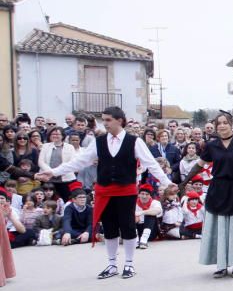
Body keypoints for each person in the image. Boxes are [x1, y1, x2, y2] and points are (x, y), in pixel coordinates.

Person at [37, 106, 173, 279]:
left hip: (126, 190)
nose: (105, 123)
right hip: (105, 191)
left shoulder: (134, 141)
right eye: (103, 120)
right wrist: (54, 172)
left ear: (120, 121)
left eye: (108, 120)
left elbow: (152, 164)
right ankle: (112, 264)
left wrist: (167, 182)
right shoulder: (99, 141)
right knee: (109, 228)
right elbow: (80, 161)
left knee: (128, 226)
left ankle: (129, 264)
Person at [180, 111, 233, 278]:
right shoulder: (211, 146)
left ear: (231, 124)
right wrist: (184, 181)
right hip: (218, 188)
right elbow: (199, 166)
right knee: (220, 228)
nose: (222, 125)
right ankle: (221, 265)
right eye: (219, 123)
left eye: (225, 122)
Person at [38, 127, 77, 201]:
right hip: (48, 179)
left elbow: (72, 162)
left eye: (57, 134)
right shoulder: (45, 146)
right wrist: (52, 172)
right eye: (53, 134)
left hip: (66, 179)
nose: (55, 136)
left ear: (62, 136)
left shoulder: (70, 147)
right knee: (47, 200)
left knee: (66, 199)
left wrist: (59, 171)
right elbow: (41, 162)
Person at [134, 184, 162, 249]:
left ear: (150, 195)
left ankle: (144, 240)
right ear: (139, 195)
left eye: (147, 194)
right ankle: (136, 240)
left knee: (150, 214)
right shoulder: (133, 203)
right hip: (138, 228)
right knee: (131, 217)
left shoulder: (155, 202)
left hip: (151, 231)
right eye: (142, 194)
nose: (144, 196)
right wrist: (134, 216)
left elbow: (158, 211)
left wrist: (141, 213)